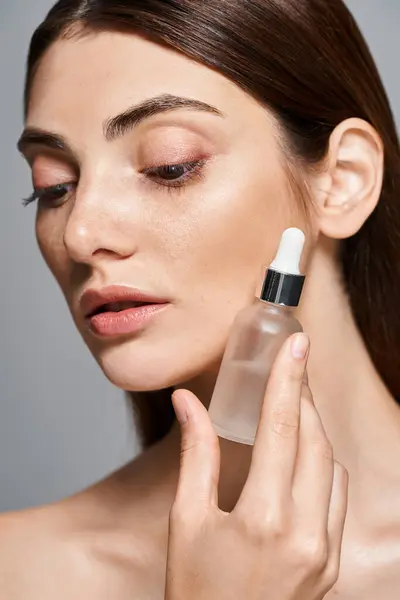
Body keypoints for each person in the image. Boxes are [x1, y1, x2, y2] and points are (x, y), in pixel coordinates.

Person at [1, 0, 400, 598]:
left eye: (169, 167)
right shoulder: (21, 570)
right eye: (54, 187)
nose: (80, 234)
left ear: (342, 179)